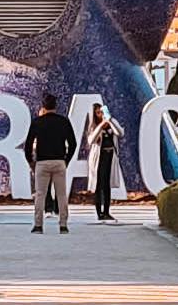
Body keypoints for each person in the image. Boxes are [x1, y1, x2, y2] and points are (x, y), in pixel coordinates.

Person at [23, 94, 78, 233]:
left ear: (43, 106)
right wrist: (66, 160)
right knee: (61, 194)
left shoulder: (37, 122)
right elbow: (73, 143)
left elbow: (28, 144)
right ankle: (63, 225)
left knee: (40, 194)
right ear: (56, 106)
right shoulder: (63, 121)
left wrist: (30, 161)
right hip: (59, 161)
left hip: (42, 162)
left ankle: (38, 225)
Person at [85, 107, 122, 223]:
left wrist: (109, 121)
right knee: (98, 185)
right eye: (98, 113)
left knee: (107, 185)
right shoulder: (94, 127)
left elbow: (120, 133)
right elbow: (91, 140)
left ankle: (106, 211)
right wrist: (100, 126)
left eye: (102, 112)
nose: (101, 114)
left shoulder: (111, 123)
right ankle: (99, 212)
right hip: (98, 159)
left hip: (110, 156)